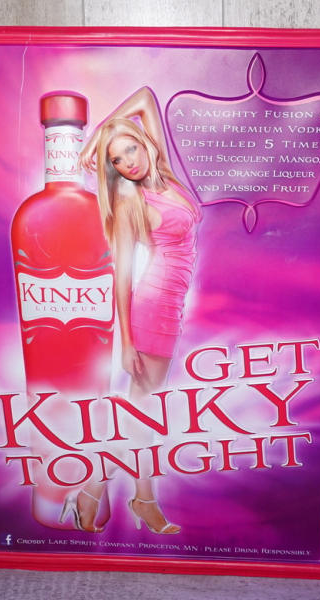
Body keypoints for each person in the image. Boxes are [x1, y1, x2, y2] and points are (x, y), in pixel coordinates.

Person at [62, 87, 200, 534]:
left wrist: (97, 139)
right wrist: (125, 342)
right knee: (142, 411)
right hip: (152, 308)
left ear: (145, 144)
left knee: (140, 409)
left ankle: (102, 493)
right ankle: (130, 498)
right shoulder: (128, 203)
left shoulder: (166, 177)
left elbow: (144, 98)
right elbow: (121, 277)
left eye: (130, 150)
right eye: (116, 160)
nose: (128, 163)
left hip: (172, 305)